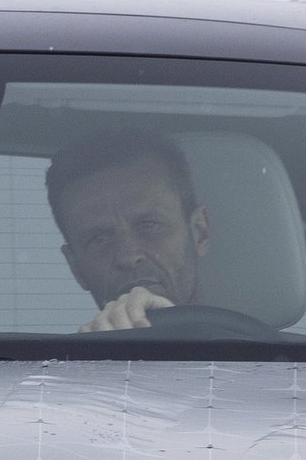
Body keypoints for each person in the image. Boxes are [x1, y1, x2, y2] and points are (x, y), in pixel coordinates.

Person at [45, 130, 210, 332]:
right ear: (76, 268)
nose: (128, 256)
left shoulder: (257, 352)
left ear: (199, 232)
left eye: (149, 226)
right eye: (100, 238)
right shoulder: (65, 362)